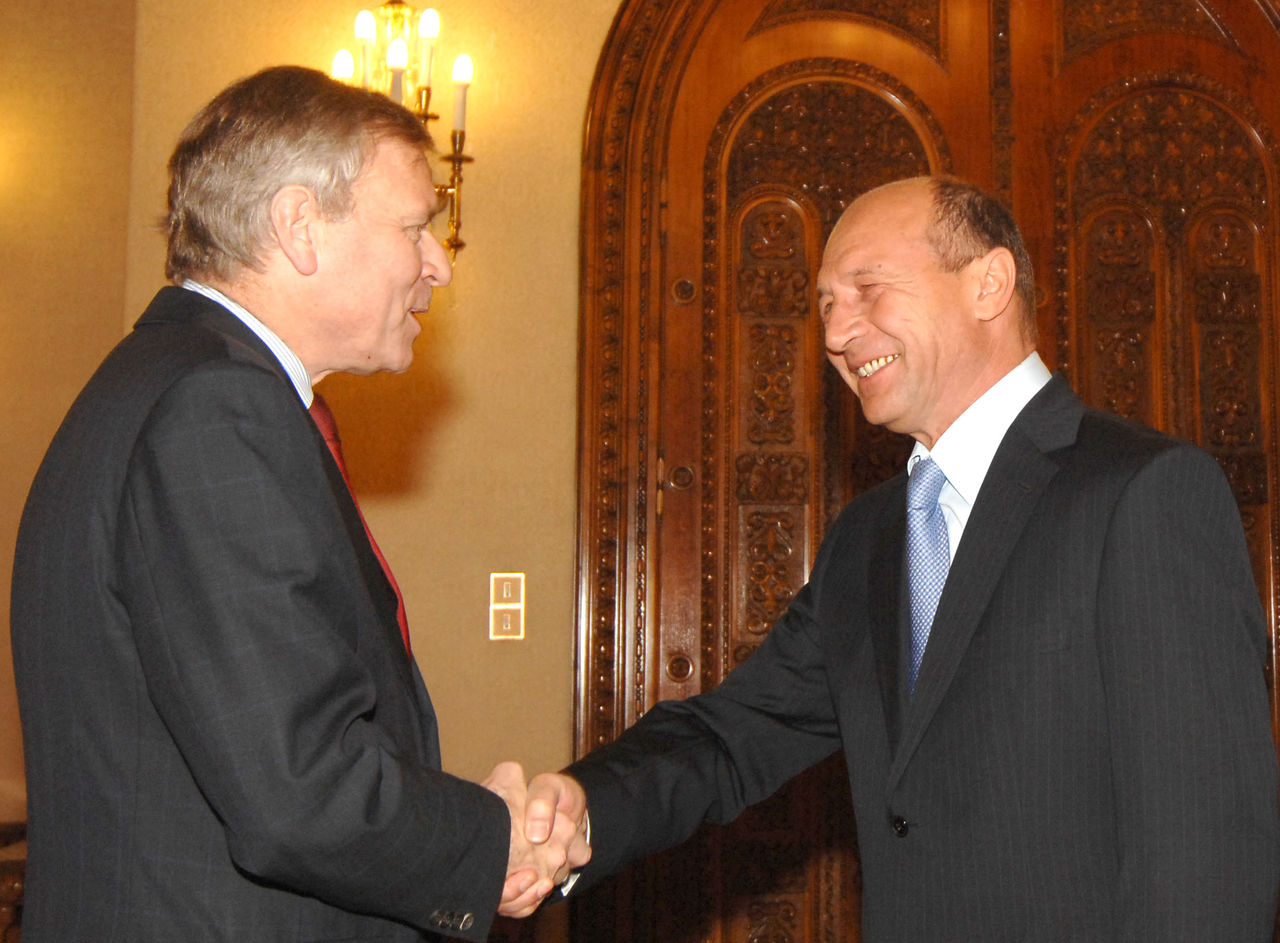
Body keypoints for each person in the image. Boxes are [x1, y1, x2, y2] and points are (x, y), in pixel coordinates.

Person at [520, 176, 1280, 939]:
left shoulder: (1143, 492)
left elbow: (1210, 843)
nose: (837, 333)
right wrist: (582, 808)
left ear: (988, 283)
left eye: (867, 289)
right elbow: (736, 736)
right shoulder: (868, 538)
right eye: (824, 305)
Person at [10, 65, 585, 942]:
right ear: (299, 225)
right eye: (414, 225)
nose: (438, 261)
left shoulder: (160, 381)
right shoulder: (212, 407)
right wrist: (492, 836)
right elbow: (297, 787)